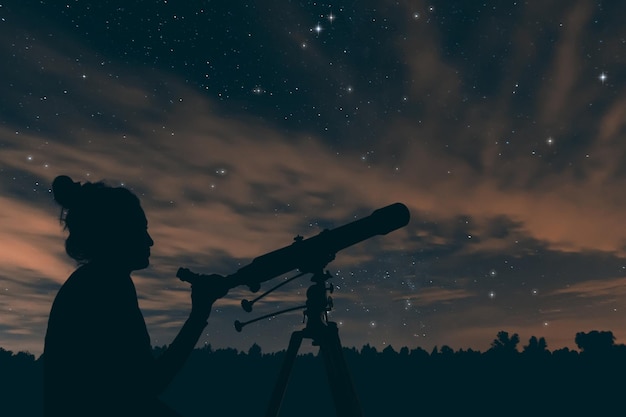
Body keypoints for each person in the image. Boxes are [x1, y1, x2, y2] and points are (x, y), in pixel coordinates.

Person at [43, 175, 229, 416]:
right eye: (141, 229)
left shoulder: (93, 282)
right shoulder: (107, 286)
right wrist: (199, 313)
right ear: (116, 233)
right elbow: (147, 385)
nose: (150, 241)